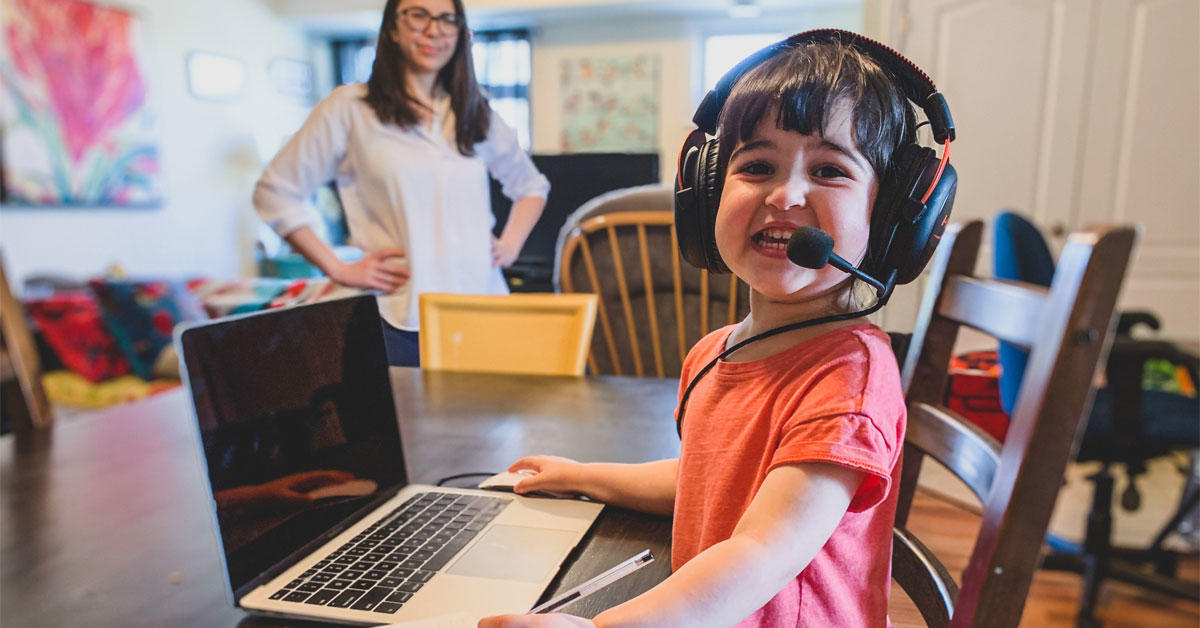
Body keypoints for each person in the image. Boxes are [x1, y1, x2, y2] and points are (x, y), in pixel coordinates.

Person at [480, 30, 957, 628]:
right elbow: (705, 481)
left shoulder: (849, 381)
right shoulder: (715, 353)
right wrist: (581, 476)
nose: (786, 194)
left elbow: (762, 551)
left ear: (890, 220)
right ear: (706, 196)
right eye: (756, 166)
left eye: (831, 169)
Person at [253, 0, 549, 366]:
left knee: (486, 423)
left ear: (459, 32)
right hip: (400, 317)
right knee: (405, 424)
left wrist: (510, 245)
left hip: (482, 308)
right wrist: (338, 267)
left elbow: (531, 186)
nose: (433, 29)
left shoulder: (475, 109)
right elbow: (275, 192)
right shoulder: (350, 107)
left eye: (446, 19)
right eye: (418, 15)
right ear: (392, 28)